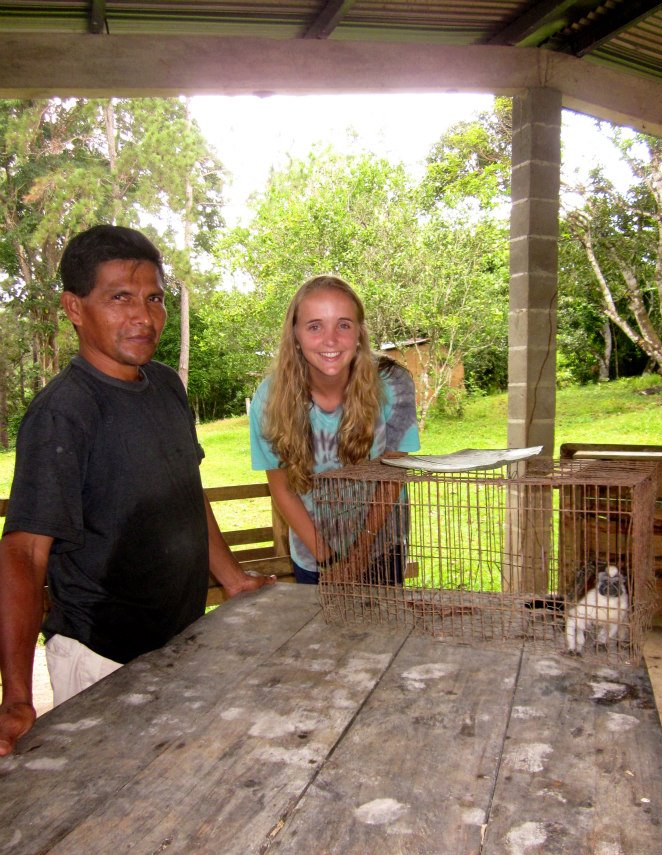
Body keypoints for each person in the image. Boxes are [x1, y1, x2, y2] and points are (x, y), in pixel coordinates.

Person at [0, 225, 274, 756]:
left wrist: (234, 580)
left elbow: (187, 493)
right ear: (75, 308)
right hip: (100, 656)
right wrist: (15, 697)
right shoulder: (64, 412)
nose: (144, 318)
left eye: (154, 299)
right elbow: (23, 552)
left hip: (179, 639)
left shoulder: (167, 386)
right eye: (120, 298)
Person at [249, 275, 420, 584]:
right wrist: (328, 560)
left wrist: (357, 559)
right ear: (296, 335)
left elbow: (393, 476)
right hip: (314, 554)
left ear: (359, 334)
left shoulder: (394, 383)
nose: (330, 340)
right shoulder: (269, 398)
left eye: (343, 325)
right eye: (315, 326)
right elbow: (282, 487)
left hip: (381, 546)